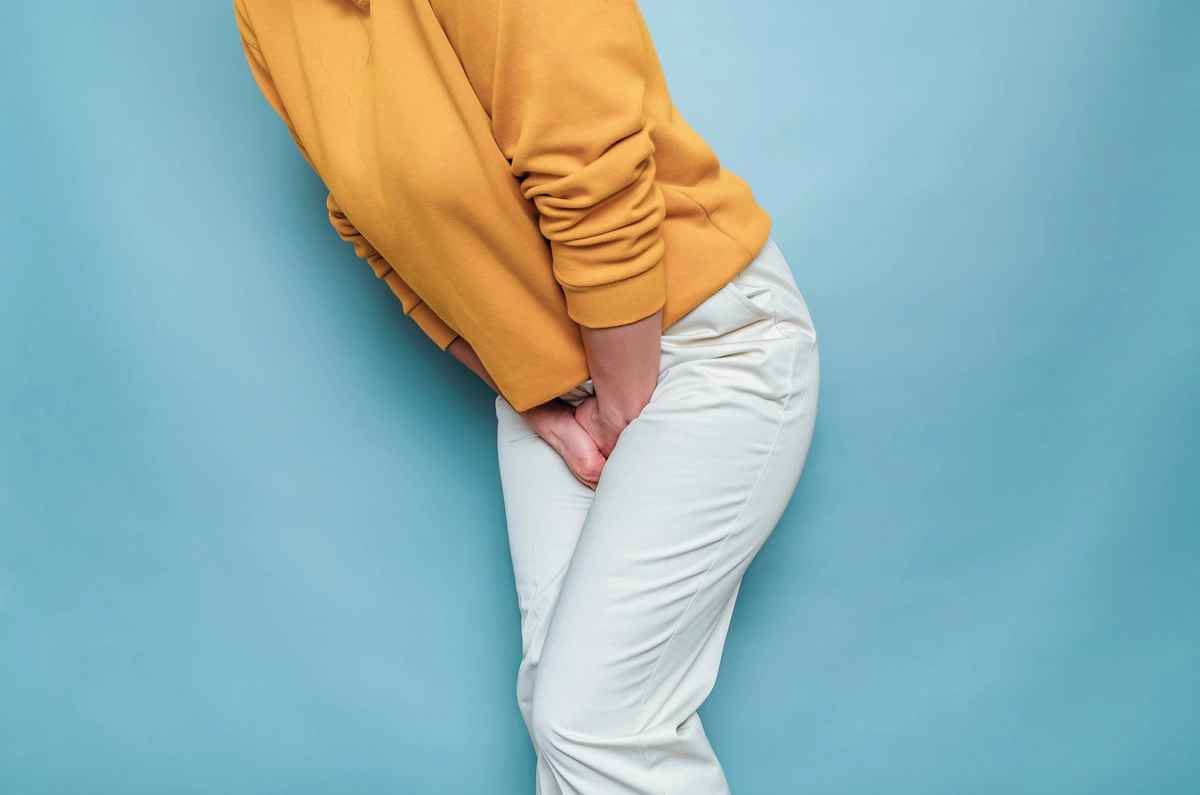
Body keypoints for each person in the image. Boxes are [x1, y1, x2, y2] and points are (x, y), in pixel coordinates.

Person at [233, 0, 819, 791]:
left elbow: (591, 172)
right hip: (556, 388)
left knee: (593, 721)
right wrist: (539, 402)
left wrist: (619, 405)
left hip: (705, 341)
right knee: (560, 711)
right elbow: (368, 221)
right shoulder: (265, 12)